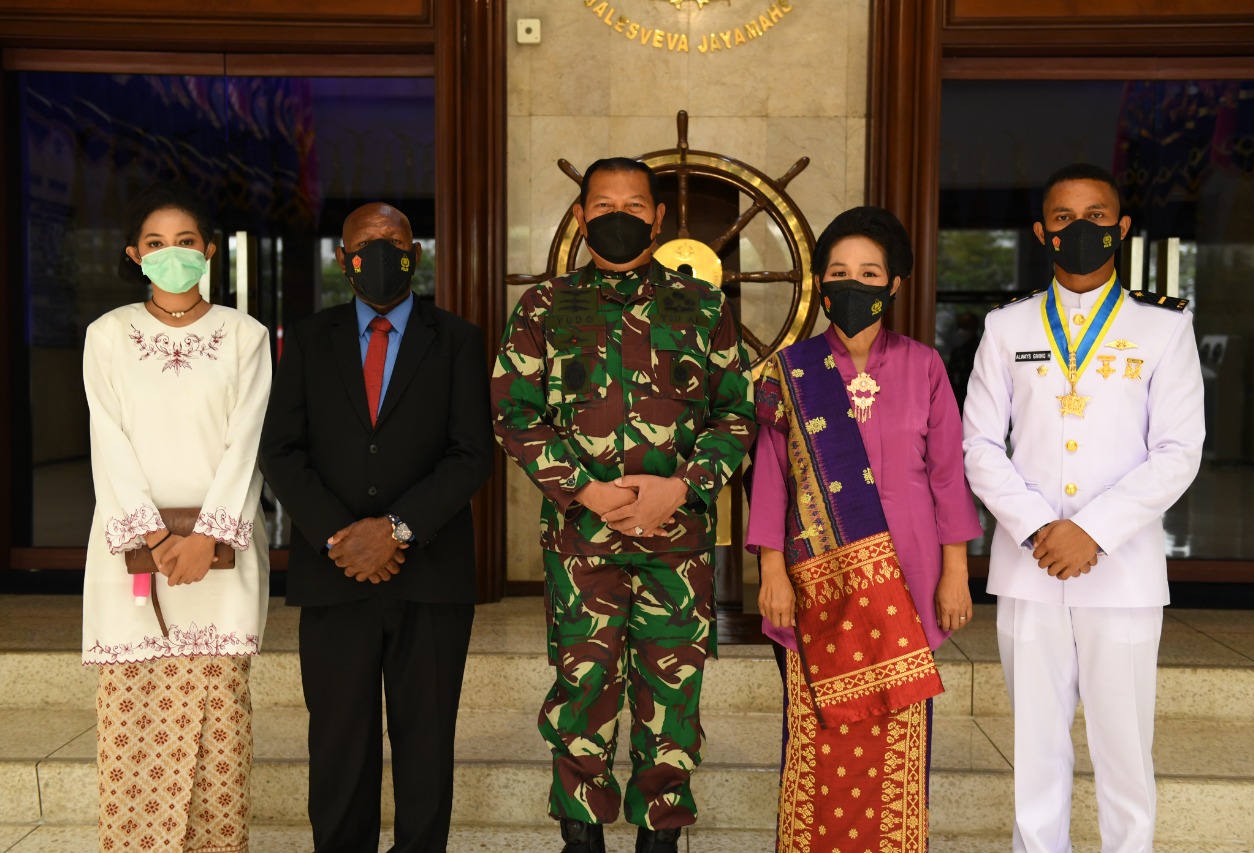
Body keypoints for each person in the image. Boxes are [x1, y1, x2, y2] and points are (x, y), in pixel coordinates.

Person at [491, 157, 756, 853]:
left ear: (658, 218)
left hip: (677, 539)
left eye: (634, 204)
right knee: (582, 688)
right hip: (583, 541)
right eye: (602, 203)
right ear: (580, 216)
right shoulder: (545, 307)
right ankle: (580, 835)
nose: (618, 214)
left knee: (671, 701)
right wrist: (584, 488)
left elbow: (736, 415)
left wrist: (684, 484)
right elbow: (513, 412)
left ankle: (659, 837)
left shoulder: (702, 306)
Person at [962, 163, 1205, 853]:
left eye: (1097, 217)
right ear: (1043, 232)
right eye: (1064, 219)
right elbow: (977, 442)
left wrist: (1092, 530)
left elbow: (1179, 451)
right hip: (1029, 567)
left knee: (1125, 745)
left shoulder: (1162, 330)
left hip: (1121, 573)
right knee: (1037, 744)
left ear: (1121, 229)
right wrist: (1042, 527)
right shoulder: (1007, 327)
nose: (1081, 230)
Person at [746, 206, 982, 852]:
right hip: (813, 584)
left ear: (895, 284)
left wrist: (956, 571)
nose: (855, 284)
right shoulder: (790, 371)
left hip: (909, 580)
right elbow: (770, 476)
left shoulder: (925, 366)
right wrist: (771, 571)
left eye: (870, 272)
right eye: (840, 272)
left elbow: (947, 475)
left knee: (898, 740)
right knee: (817, 742)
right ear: (822, 284)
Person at [258, 202, 492, 853]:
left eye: (394, 241)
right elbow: (281, 449)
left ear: (415, 251)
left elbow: (472, 452)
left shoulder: (458, 339)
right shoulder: (307, 337)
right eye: (366, 245)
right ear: (343, 258)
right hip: (333, 576)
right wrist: (342, 534)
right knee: (338, 740)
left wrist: (397, 527)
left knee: (425, 740)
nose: (381, 254)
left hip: (432, 576)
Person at [82, 181, 271, 852]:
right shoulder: (107, 335)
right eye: (156, 245)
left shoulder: (246, 336)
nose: (172, 256)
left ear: (210, 252)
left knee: (219, 729)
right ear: (135, 255)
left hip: (220, 559)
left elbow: (246, 445)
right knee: (131, 727)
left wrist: (208, 539)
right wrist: (160, 537)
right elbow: (108, 443)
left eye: (185, 243)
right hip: (132, 561)